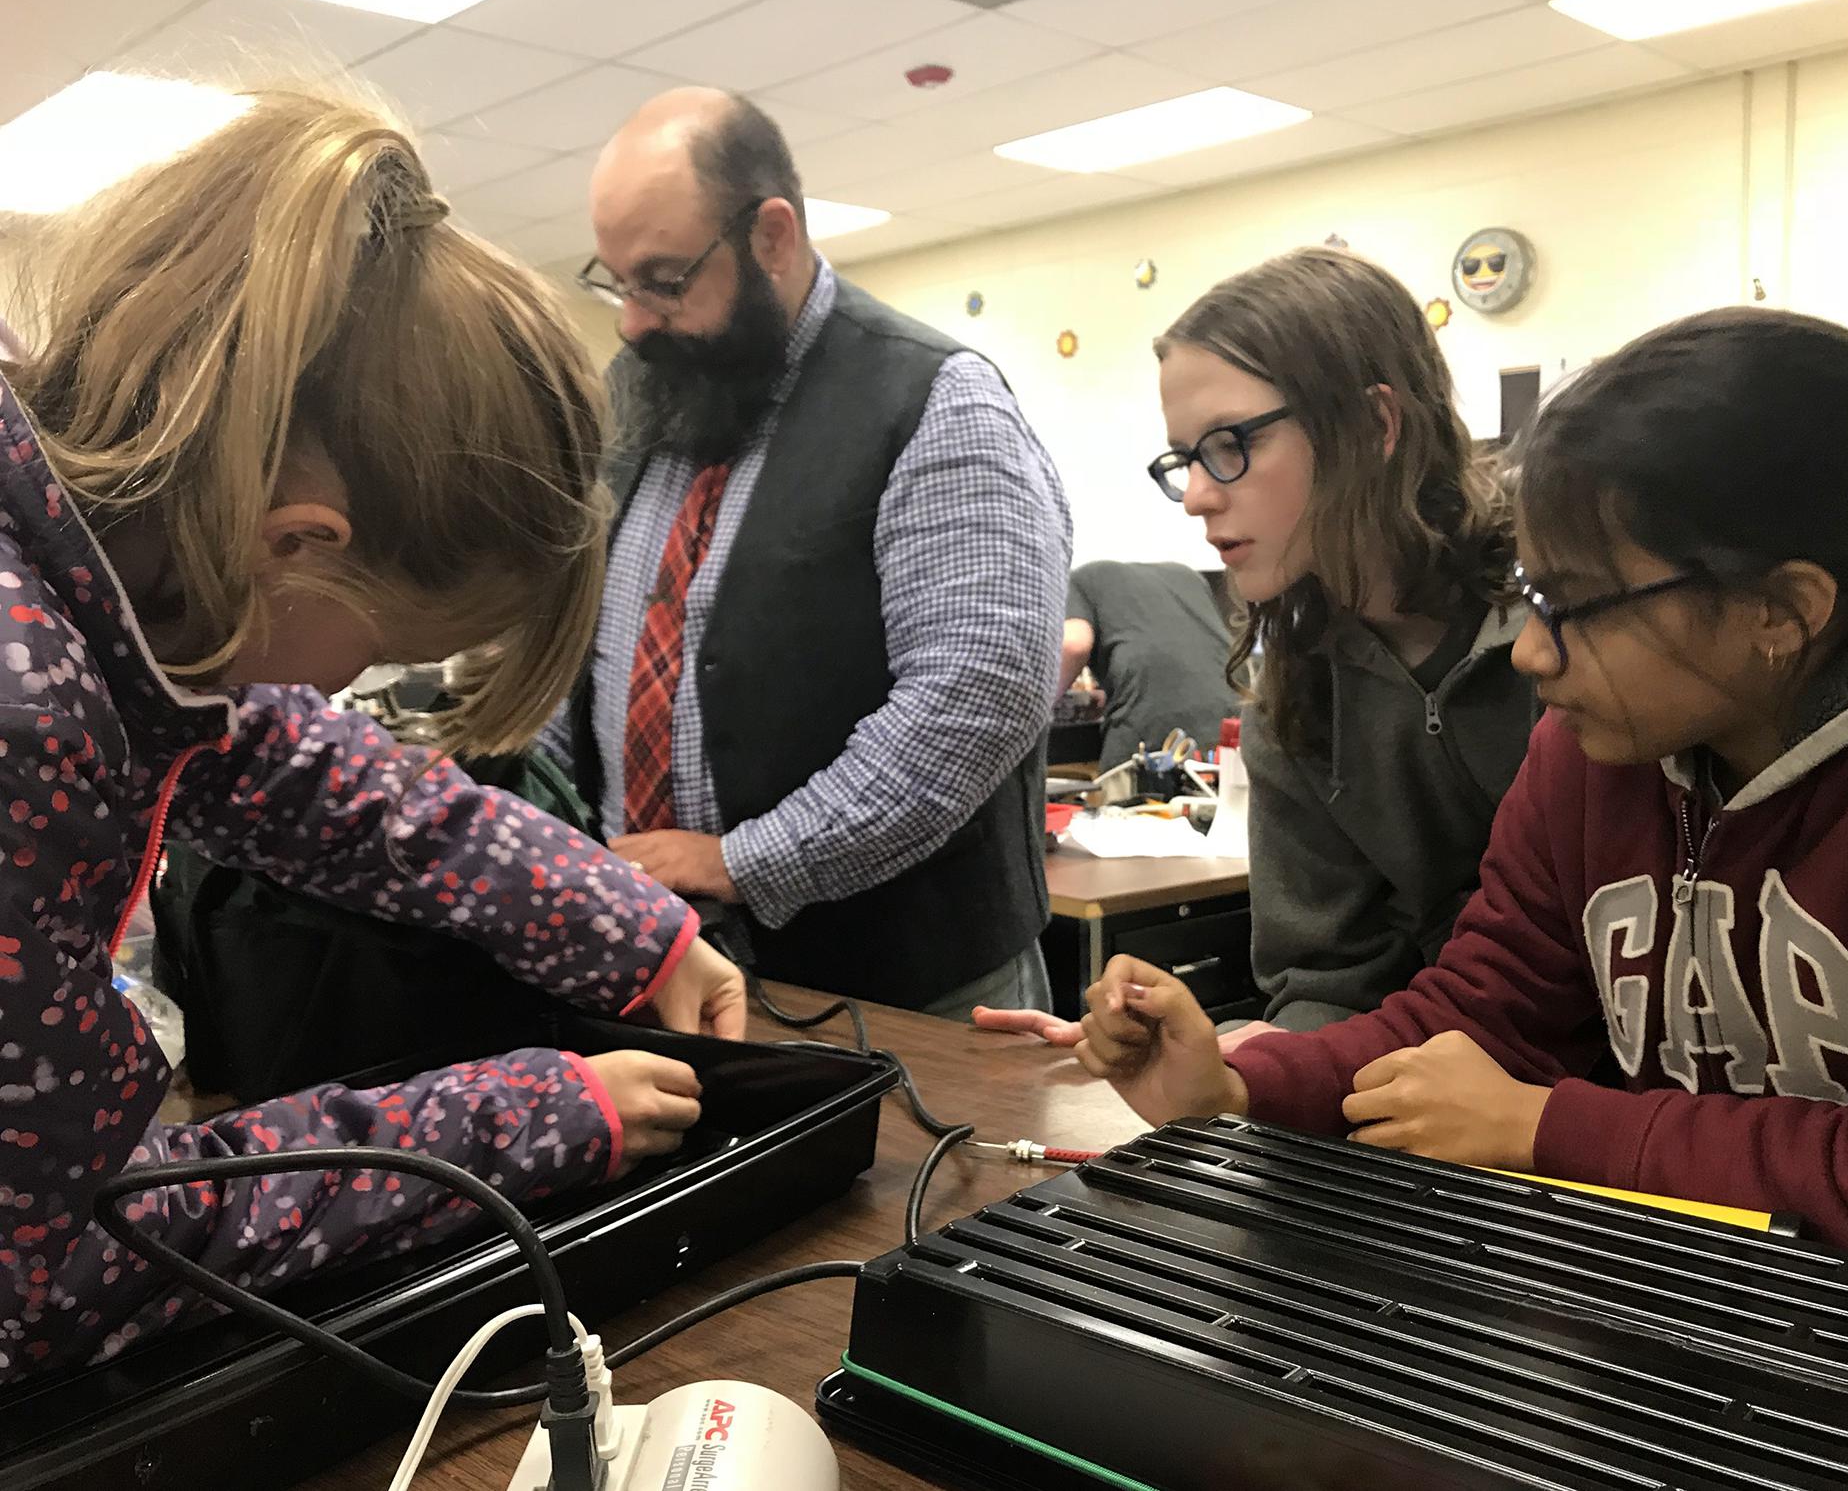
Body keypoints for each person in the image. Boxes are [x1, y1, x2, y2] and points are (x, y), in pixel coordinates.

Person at [0, 90, 748, 1384]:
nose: (358, 687)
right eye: (389, 651)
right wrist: (520, 1122)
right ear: (296, 545)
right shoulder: (22, 709)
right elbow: (52, 1263)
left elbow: (322, 780)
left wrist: (633, 927)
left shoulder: (98, 572)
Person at [1072, 307, 1848, 1269]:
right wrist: (1237, 1083)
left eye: (1575, 606)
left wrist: (1547, 1129)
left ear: (1780, 609)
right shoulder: (1595, 752)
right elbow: (1476, 1018)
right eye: (1531, 593)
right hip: (1701, 1288)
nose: (1529, 649)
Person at [545, 90, 1070, 1019]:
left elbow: (976, 693)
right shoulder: (639, 392)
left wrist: (748, 860)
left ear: (772, 237)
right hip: (663, 960)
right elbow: (564, 647)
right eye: (617, 282)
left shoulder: (932, 400)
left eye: (664, 281)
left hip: (905, 988)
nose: (631, 321)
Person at [980, 247, 1534, 1042]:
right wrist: (1235, 1065)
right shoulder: (1298, 695)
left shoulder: (1569, 627)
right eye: (1185, 460)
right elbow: (1331, 988)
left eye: (1230, 445)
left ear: (1375, 425)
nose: (1198, 497)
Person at [1061, 559, 1237, 772]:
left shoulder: (1079, 579)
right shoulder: (1185, 574)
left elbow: (1073, 646)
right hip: (1231, 723)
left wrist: (1038, 705)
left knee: (1122, 800)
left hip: (1148, 729)